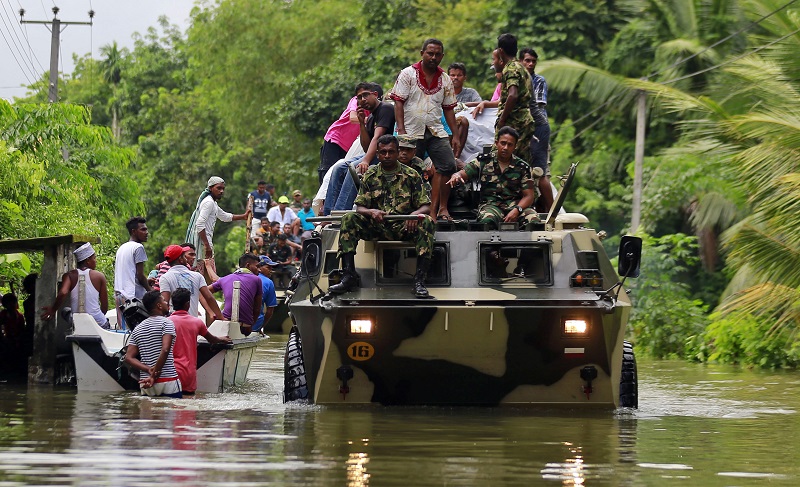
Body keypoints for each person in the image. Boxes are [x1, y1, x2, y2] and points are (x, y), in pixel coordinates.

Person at [330, 135, 435, 298]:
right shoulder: (370, 175)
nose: (387, 155)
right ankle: (349, 275)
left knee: (426, 221)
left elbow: (426, 206)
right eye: (383, 152)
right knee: (349, 218)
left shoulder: (411, 175)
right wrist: (371, 212)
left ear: (397, 152)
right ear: (377, 154)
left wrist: (413, 216)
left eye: (391, 152)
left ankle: (419, 280)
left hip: (403, 226)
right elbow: (360, 207)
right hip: (376, 225)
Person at [391, 38, 461, 222]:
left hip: (435, 129)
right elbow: (398, 102)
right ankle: (406, 210)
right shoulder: (407, 74)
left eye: (437, 54)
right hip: (411, 129)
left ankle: (439, 209)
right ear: (422, 53)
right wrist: (401, 129)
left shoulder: (445, 79)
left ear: (442, 56)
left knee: (448, 165)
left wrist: (455, 135)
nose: (433, 57)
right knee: (406, 168)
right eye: (430, 53)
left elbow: (449, 109)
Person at [447, 126, 540, 229]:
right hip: (491, 206)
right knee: (487, 220)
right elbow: (464, 172)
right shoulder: (483, 161)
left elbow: (529, 196)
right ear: (496, 143)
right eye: (503, 143)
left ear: (515, 147)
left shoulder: (522, 167)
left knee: (533, 220)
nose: (505, 148)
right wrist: (456, 175)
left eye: (510, 145)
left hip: (516, 206)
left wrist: (517, 210)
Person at [326, 82, 395, 214]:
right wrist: (362, 123)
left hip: (386, 154)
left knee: (353, 167)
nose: (362, 99)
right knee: (339, 167)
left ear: (375, 94)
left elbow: (377, 137)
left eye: (366, 95)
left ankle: (341, 212)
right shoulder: (371, 117)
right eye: (359, 97)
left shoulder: (385, 108)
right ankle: (329, 213)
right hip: (373, 153)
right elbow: (366, 147)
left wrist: (365, 161)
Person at [169, 287, 231, 395]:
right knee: (188, 403)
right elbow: (212, 339)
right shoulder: (197, 323)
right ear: (188, 304)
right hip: (188, 373)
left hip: (169, 372)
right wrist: (221, 339)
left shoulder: (166, 322)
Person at [124, 290, 182, 398]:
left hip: (145, 382)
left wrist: (148, 369)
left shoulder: (138, 328)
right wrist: (154, 374)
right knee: (174, 408)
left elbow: (128, 357)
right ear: (159, 305)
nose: (167, 303)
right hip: (167, 379)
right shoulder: (167, 323)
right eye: (164, 301)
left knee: (149, 409)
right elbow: (165, 349)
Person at [41, 243, 109, 328]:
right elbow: (104, 307)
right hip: (99, 323)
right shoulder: (99, 276)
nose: (96, 261)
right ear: (88, 260)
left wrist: (53, 309)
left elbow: (63, 292)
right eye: (94, 258)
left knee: (66, 311)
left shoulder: (69, 276)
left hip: (77, 323)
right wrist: (95, 318)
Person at [185, 176, 251, 263]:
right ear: (210, 188)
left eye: (223, 189)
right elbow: (200, 224)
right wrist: (207, 246)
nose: (221, 191)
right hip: (203, 242)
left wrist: (243, 217)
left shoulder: (213, 203)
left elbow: (224, 216)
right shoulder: (209, 202)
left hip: (206, 241)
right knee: (204, 267)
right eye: (218, 188)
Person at [520, 47, 554, 211]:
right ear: (520, 61)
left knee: (540, 173)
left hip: (538, 130)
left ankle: (552, 211)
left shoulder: (538, 81)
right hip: (522, 133)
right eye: (527, 60)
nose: (530, 64)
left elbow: (535, 107)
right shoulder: (516, 80)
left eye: (533, 61)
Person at [494, 35, 536, 165]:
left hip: (514, 121)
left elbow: (513, 95)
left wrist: (502, 120)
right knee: (521, 163)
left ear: (501, 51)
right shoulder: (521, 67)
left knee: (501, 160)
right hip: (524, 120)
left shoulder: (511, 68)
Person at [158, 245, 224, 321]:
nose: (186, 258)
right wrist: (221, 317)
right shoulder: (197, 276)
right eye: (184, 256)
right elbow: (209, 297)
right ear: (180, 259)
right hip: (193, 323)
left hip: (174, 323)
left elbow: (165, 303)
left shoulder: (165, 278)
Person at [209, 253, 263, 335]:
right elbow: (257, 309)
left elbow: (204, 291)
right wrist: (251, 325)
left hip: (224, 321)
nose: (259, 270)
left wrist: (212, 313)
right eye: (257, 266)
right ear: (248, 265)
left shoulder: (225, 278)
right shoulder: (257, 280)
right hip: (245, 326)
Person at [318, 92, 365, 184]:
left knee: (342, 174)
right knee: (328, 171)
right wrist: (368, 120)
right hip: (336, 140)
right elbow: (353, 118)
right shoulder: (356, 100)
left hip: (349, 147)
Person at [114, 217, 152, 324]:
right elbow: (140, 275)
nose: (146, 232)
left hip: (119, 295)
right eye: (143, 229)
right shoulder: (138, 247)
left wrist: (147, 281)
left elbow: (129, 273)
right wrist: (150, 290)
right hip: (133, 298)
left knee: (124, 329)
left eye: (146, 229)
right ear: (134, 231)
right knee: (139, 329)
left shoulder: (122, 247)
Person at [251, 256, 279, 335]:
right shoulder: (268, 282)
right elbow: (270, 310)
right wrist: (261, 326)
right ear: (259, 268)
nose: (271, 271)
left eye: (271, 268)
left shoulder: (243, 277)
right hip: (255, 324)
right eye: (268, 268)